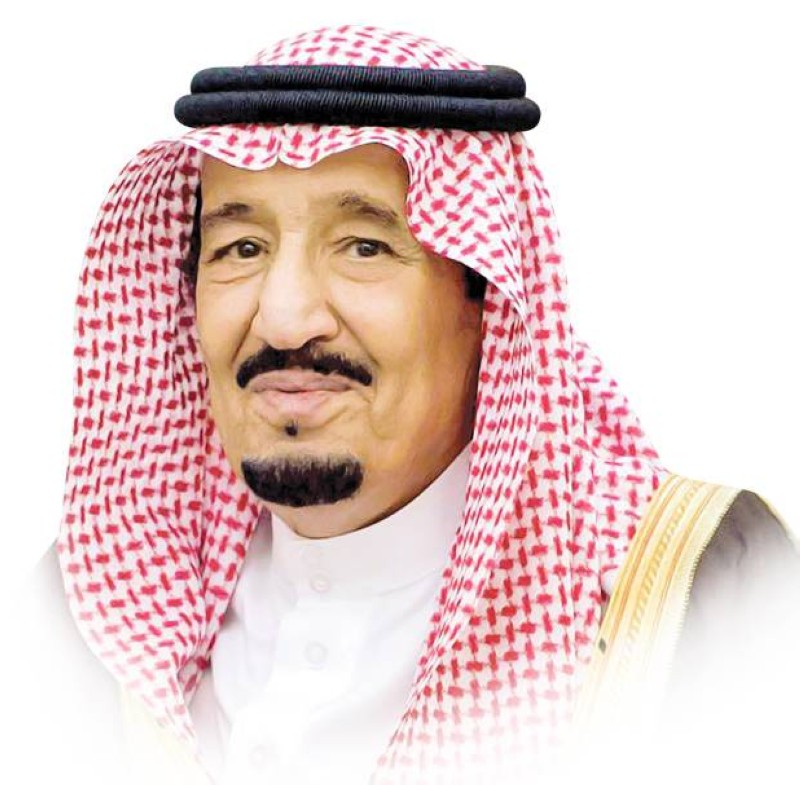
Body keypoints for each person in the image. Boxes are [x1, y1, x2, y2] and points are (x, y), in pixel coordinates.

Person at [19, 23, 799, 785]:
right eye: (241, 249)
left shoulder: (695, 594)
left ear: (487, 301)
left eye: (364, 247)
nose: (284, 318)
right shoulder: (86, 622)